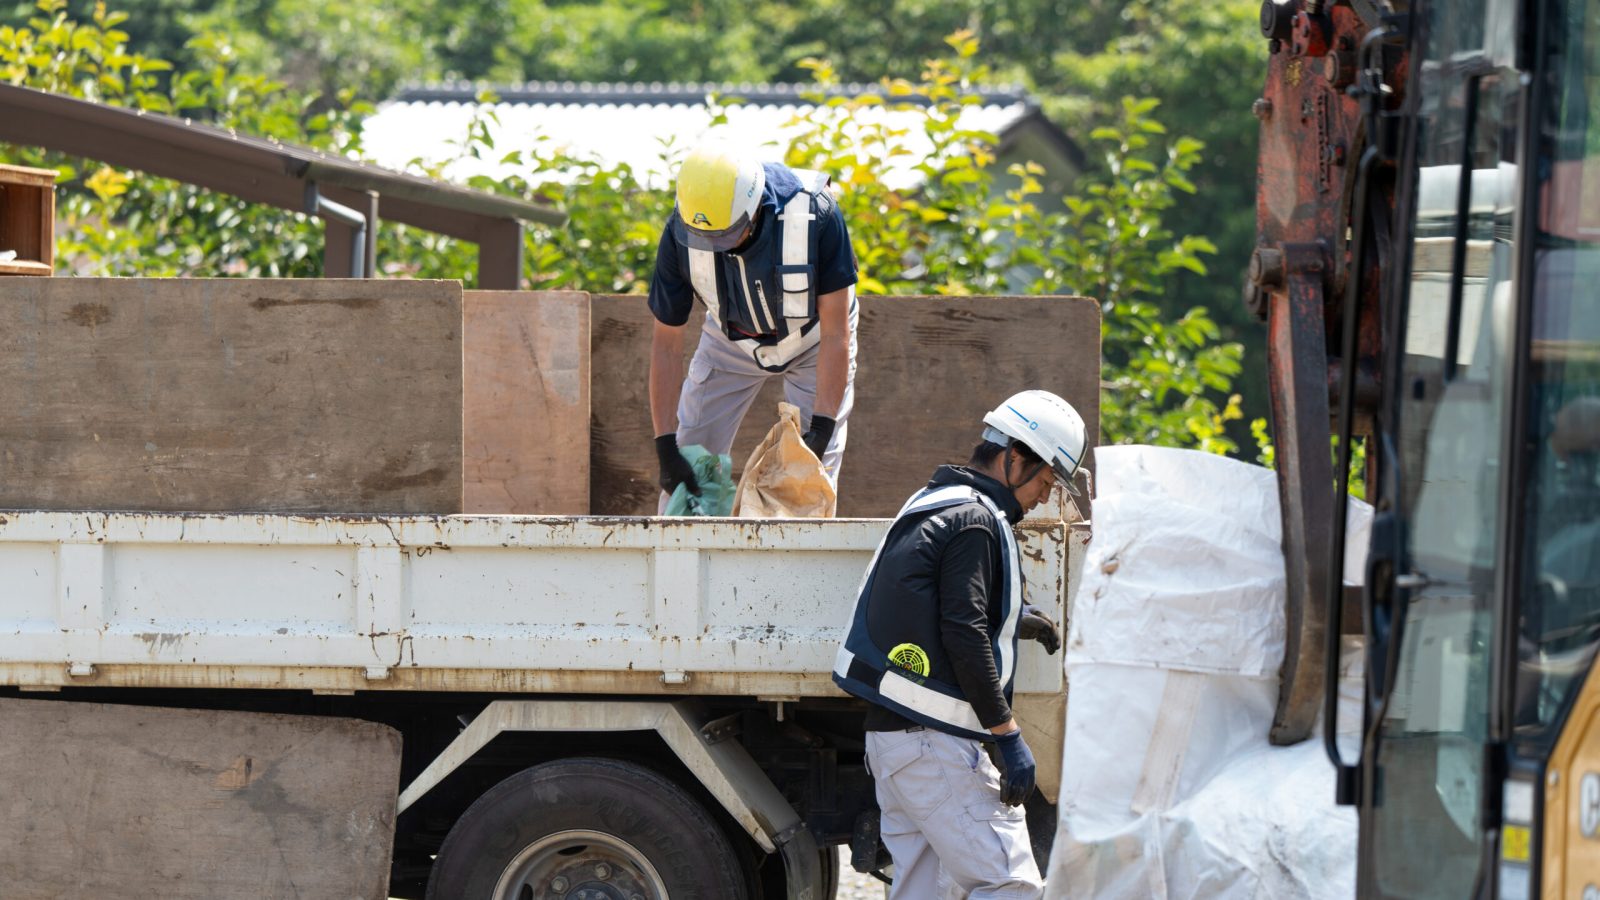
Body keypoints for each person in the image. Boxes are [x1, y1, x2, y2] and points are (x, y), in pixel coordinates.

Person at [833, 389, 1085, 899]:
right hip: (933, 745)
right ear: (1015, 459)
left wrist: (1009, 620)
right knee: (1009, 884)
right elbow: (962, 629)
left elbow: (929, 604)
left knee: (926, 890)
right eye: (1045, 480)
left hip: (895, 743)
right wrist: (1007, 735)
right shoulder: (976, 520)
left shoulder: (935, 501)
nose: (1043, 496)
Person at [647, 142, 858, 508]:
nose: (717, 247)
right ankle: (683, 558)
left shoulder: (817, 214)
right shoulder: (679, 232)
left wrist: (823, 425)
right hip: (729, 341)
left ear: (756, 207)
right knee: (688, 473)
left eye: (727, 235)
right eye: (705, 238)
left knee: (807, 482)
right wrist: (665, 445)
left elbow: (837, 332)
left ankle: (794, 564)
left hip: (814, 338)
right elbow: (666, 345)